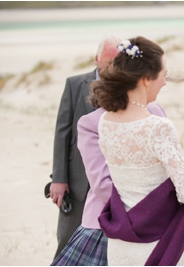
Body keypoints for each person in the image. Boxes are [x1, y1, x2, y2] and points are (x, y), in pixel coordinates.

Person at [93, 36, 184, 265]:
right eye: (163, 74)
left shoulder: (105, 122)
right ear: (146, 79)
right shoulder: (157, 127)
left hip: (120, 244)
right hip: (154, 244)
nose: (164, 82)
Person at [51, 99, 166, 265]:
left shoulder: (156, 110)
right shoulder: (92, 121)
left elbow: (167, 170)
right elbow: (102, 184)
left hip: (155, 223)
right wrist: (145, 208)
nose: (163, 82)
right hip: (106, 222)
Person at [50, 36, 121, 256]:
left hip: (111, 178)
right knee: (66, 239)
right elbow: (62, 132)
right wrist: (59, 179)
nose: (113, 68)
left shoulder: (126, 87)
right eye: (109, 62)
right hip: (77, 179)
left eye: (118, 63)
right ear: (96, 59)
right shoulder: (74, 84)